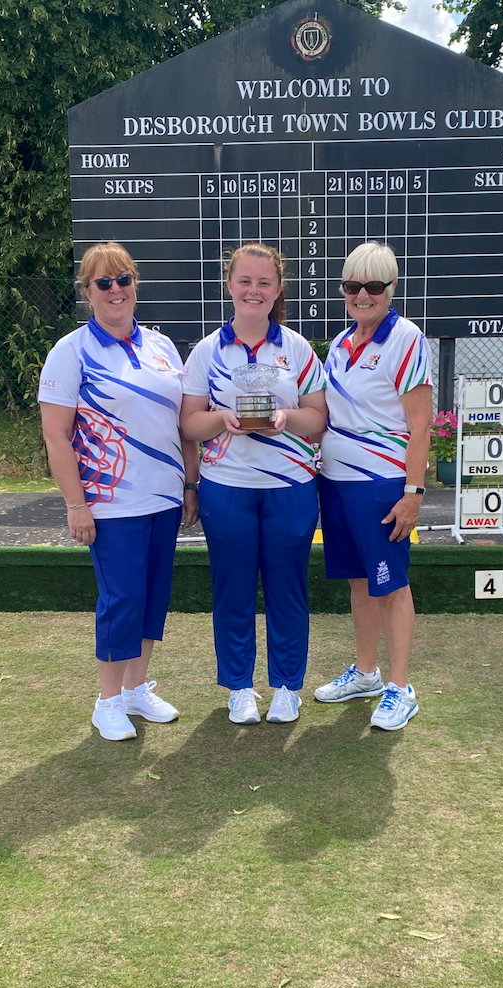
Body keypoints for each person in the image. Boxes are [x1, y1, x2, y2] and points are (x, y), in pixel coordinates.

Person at [38, 242, 200, 741]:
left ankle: (134, 690)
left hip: (164, 496)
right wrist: (75, 504)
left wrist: (189, 483)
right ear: (87, 292)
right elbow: (55, 436)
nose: (116, 290)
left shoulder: (162, 346)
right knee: (122, 597)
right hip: (109, 502)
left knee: (152, 597)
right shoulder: (70, 352)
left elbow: (183, 423)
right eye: (103, 282)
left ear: (135, 284)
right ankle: (106, 701)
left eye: (123, 279)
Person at [180, 243, 327, 725]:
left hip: (290, 487)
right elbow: (189, 423)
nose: (254, 290)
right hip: (227, 487)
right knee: (233, 590)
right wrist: (222, 418)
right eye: (245, 281)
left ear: (278, 289)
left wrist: (285, 417)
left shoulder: (297, 348)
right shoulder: (207, 350)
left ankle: (286, 687)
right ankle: (240, 687)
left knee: (288, 590)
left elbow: (318, 418)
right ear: (229, 284)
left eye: (264, 282)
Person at [313, 242, 433, 731]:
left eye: (374, 286)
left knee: (391, 585)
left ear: (392, 289)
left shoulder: (407, 339)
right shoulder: (341, 343)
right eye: (352, 286)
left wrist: (413, 494)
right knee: (360, 582)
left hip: (382, 484)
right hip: (336, 482)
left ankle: (400, 688)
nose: (362, 295)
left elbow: (421, 427)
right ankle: (366, 673)